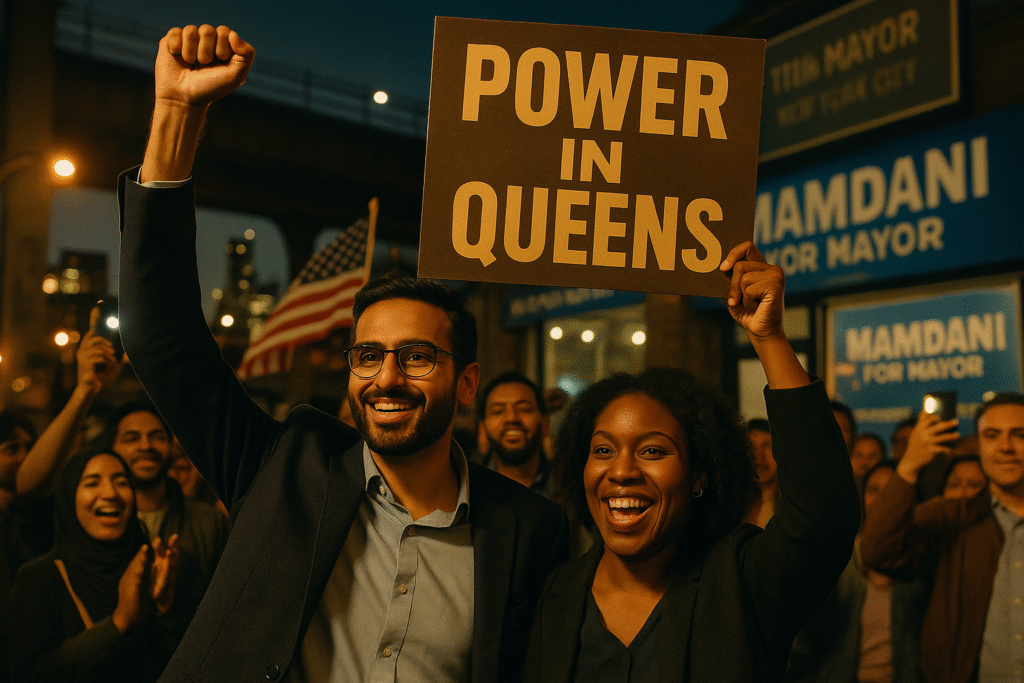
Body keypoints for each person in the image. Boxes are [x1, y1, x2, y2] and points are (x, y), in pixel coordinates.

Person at [117, 25, 567, 683]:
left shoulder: (531, 528)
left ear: (466, 383)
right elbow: (161, 336)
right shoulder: (286, 463)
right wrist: (177, 113)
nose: (386, 377)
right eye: (368, 356)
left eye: (416, 356)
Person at [523, 242, 861, 682]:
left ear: (699, 474)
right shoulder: (554, 595)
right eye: (603, 450)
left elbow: (823, 518)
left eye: (652, 451)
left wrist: (768, 338)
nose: (622, 471)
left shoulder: (741, 584)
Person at [861, 392, 1024, 683]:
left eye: (1020, 435)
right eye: (991, 435)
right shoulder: (951, 517)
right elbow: (878, 552)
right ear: (980, 445)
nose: (1005, 447)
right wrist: (910, 465)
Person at [3, 449, 179, 682]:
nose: (110, 493)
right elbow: (29, 675)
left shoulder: (152, 569)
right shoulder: (38, 577)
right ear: (68, 498)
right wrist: (118, 623)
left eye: (122, 482)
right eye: (92, 483)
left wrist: (166, 609)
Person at [786, 460, 926, 683]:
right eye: (874, 490)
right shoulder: (838, 559)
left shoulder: (922, 561)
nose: (882, 499)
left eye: (892, 490)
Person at [97, 400, 229, 631]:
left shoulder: (208, 521)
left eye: (157, 436)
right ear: (111, 449)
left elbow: (226, 601)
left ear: (172, 446)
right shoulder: (100, 519)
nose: (146, 445)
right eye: (131, 438)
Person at [477, 372, 552, 497]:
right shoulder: (465, 488)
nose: (511, 418)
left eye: (524, 409)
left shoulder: (571, 488)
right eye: (498, 411)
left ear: (545, 423)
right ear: (482, 428)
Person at [743, 418, 778, 528]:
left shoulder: (793, 509)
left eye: (768, 445)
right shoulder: (730, 510)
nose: (759, 457)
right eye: (752, 446)